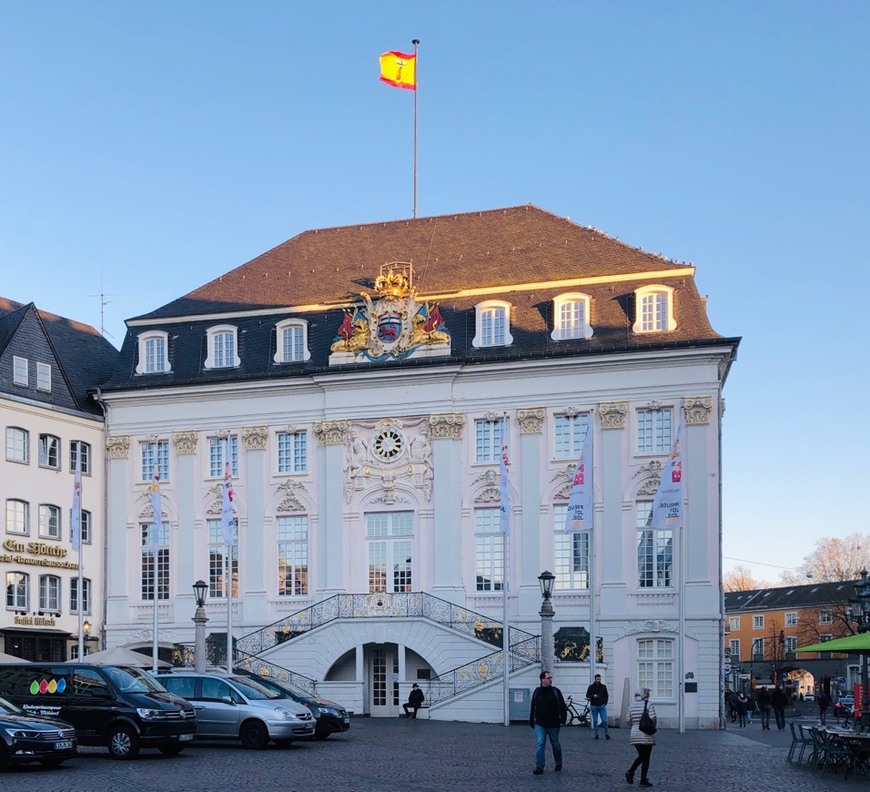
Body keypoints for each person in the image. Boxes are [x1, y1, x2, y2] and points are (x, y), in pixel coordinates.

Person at [529, 670, 567, 775]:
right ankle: (539, 766)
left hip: (554, 723)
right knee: (540, 743)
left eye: (551, 678)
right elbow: (533, 707)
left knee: (555, 744)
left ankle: (558, 762)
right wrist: (531, 720)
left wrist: (563, 720)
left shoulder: (555, 691)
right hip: (540, 723)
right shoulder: (537, 691)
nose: (550, 680)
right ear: (542, 680)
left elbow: (563, 706)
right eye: (548, 678)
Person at [625, 687, 656, 787]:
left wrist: (634, 725)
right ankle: (636, 775)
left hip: (634, 734)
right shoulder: (649, 704)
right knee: (645, 758)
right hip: (646, 734)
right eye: (648, 694)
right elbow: (653, 718)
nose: (649, 696)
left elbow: (627, 720)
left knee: (642, 756)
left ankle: (635, 774)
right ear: (645, 695)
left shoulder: (631, 705)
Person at [586, 673, 610, 739]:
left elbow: (606, 695)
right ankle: (596, 734)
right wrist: (593, 695)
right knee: (595, 720)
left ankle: (606, 733)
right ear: (595, 679)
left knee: (605, 720)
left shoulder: (603, 687)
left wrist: (605, 703)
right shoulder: (591, 687)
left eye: (599, 679)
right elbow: (587, 695)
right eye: (597, 679)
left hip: (602, 705)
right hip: (594, 705)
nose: (598, 680)